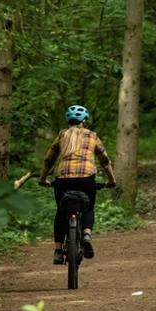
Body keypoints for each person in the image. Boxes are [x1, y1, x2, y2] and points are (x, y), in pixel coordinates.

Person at [38, 105, 116, 265]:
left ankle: (58, 251)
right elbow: (105, 161)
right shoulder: (92, 136)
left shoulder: (62, 135)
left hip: (62, 178)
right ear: (84, 120)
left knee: (61, 211)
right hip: (86, 178)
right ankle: (86, 235)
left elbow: (48, 160)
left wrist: (43, 179)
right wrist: (111, 180)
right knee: (88, 208)